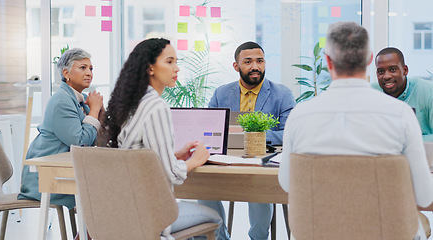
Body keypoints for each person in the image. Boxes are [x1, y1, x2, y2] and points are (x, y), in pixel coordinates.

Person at [277, 21, 433, 240]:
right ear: (369, 60)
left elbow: (286, 183)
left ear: (328, 61)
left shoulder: (300, 116)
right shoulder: (400, 114)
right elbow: (425, 196)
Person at [100, 38, 223, 239]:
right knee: (215, 217)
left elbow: (138, 156)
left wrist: (174, 154)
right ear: (150, 68)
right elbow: (171, 174)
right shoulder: (157, 107)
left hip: (123, 209)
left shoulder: (132, 104)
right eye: (169, 62)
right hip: (153, 214)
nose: (177, 68)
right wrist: (195, 160)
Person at [200, 41, 296, 240]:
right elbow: (209, 130)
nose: (255, 66)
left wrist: (252, 137)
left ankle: (258, 237)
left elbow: (289, 133)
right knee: (203, 185)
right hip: (224, 163)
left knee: (258, 187)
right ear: (236, 66)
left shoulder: (282, 94)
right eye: (248, 61)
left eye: (260, 61)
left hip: (262, 165)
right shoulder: (221, 93)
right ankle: (220, 236)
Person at [18, 48, 104, 210]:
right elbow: (80, 142)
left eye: (91, 68)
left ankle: (87, 234)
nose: (89, 73)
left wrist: (99, 113)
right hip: (44, 179)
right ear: (66, 73)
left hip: (63, 173)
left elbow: (95, 139)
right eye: (82, 67)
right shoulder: (62, 101)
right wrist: (93, 111)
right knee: (106, 189)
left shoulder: (81, 100)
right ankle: (89, 235)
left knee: (108, 186)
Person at [371, 47, 433, 142]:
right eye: (381, 72)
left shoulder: (427, 90)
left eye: (392, 70)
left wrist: (404, 141)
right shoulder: (371, 93)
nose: (387, 76)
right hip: (382, 155)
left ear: (405, 70)